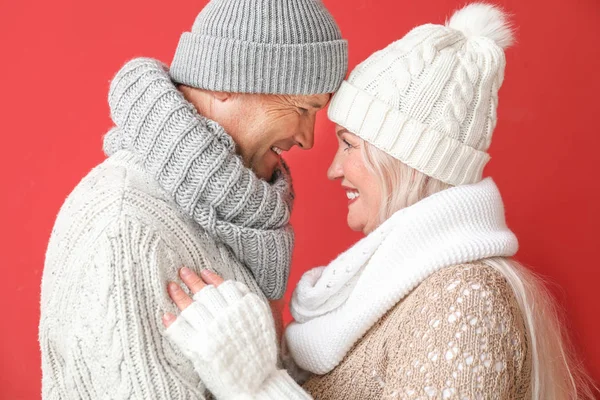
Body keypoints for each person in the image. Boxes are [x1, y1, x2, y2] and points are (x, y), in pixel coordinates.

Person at [161, 3, 597, 399]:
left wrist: (253, 384)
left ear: (404, 162)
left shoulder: (467, 300)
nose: (333, 169)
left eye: (349, 145)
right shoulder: (398, 290)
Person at [38, 0, 347, 398]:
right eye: (303, 108)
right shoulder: (128, 225)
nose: (306, 138)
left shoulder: (227, 218)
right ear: (228, 78)